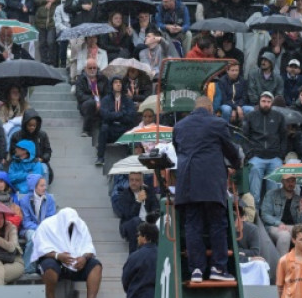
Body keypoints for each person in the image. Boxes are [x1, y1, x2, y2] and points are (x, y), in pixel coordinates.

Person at [174, 96, 242, 283]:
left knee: (193, 225)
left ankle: (196, 269)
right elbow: (230, 150)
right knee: (217, 224)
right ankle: (218, 268)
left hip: (187, 182)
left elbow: (178, 149)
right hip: (211, 182)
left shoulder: (179, 126)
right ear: (210, 108)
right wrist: (236, 164)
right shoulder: (217, 123)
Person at [30, 207, 103, 298]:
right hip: (55, 260)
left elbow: (89, 247)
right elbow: (40, 249)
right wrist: (57, 255)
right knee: (49, 266)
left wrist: (84, 258)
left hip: (76, 261)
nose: (71, 226)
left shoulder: (80, 224)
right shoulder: (47, 225)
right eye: (69, 224)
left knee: (96, 265)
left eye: (73, 224)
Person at [242, 91, 286, 207]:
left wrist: (281, 155)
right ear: (259, 102)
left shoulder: (278, 117)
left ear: (272, 103)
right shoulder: (251, 116)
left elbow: (284, 137)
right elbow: (244, 137)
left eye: (268, 101)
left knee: (273, 194)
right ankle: (254, 214)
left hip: (274, 157)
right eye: (263, 101)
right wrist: (249, 154)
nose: (266, 104)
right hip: (256, 157)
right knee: (254, 193)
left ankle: (269, 217)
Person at [122, 222, 158, 298]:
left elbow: (125, 279)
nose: (137, 238)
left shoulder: (135, 256)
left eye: (138, 235)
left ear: (144, 237)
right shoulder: (163, 256)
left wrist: (132, 291)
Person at [18, 174, 56, 274]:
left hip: (45, 228)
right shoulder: (24, 201)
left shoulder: (49, 199)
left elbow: (51, 217)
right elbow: (26, 222)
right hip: (29, 229)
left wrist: (44, 228)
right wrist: (39, 228)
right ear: (34, 187)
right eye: (41, 186)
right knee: (33, 237)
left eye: (45, 185)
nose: (45, 188)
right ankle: (28, 268)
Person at [116, 171, 158, 254]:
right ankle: (133, 255)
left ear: (142, 182)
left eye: (137, 180)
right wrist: (138, 201)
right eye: (131, 180)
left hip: (147, 222)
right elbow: (127, 215)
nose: (134, 183)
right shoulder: (124, 194)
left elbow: (156, 208)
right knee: (136, 221)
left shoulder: (149, 192)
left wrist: (151, 218)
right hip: (128, 224)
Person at [0, 211, 24, 285]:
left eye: (1, 218)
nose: (0, 221)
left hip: (15, 261)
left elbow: (12, 247)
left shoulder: (11, 228)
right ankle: (0, 295)